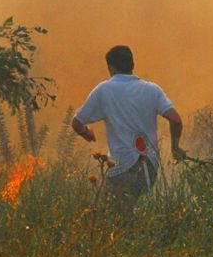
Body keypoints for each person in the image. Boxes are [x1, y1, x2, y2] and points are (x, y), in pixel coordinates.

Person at [71, 45, 186, 206]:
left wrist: (86, 133)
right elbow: (176, 120)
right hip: (150, 168)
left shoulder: (104, 89)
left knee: (114, 220)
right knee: (132, 211)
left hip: (122, 168)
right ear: (133, 65)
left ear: (111, 68)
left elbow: (76, 123)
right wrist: (175, 148)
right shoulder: (152, 89)